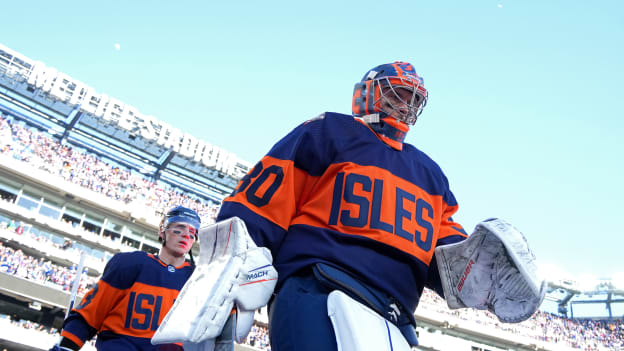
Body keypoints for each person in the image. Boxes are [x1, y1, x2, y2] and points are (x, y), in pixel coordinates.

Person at [216, 61, 469, 350]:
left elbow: (451, 258)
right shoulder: (331, 130)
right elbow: (264, 197)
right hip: (321, 286)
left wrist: (484, 267)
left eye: (413, 99)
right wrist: (234, 261)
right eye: (398, 93)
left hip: (396, 316)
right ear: (368, 93)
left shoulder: (432, 174)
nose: (405, 105)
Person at [50, 206, 201, 351]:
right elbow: (92, 313)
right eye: (179, 228)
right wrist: (67, 346)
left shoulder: (198, 278)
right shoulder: (130, 264)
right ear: (163, 231)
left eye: (192, 232)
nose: (186, 234)